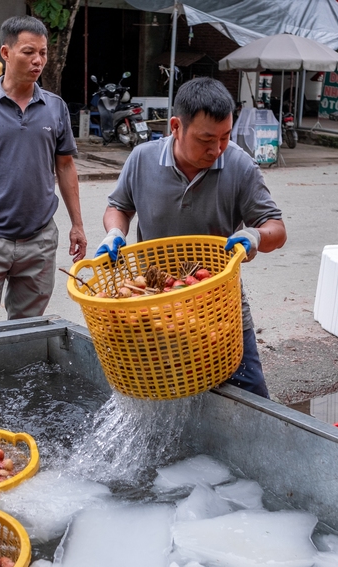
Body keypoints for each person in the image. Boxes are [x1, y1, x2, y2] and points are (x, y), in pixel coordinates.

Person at [95, 77, 287, 398]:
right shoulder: (142, 159)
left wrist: (254, 236)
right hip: (154, 308)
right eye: (206, 139)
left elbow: (276, 229)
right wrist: (115, 231)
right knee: (157, 398)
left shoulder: (240, 166)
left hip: (220, 311)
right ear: (176, 126)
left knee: (252, 404)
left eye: (225, 137)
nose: (216, 149)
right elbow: (118, 207)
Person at [0, 16, 87, 325]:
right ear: (6, 53)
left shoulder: (55, 107)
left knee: (26, 333)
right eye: (28, 52)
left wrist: (77, 224)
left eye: (43, 52)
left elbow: (65, 166)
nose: (38, 60)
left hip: (39, 240)